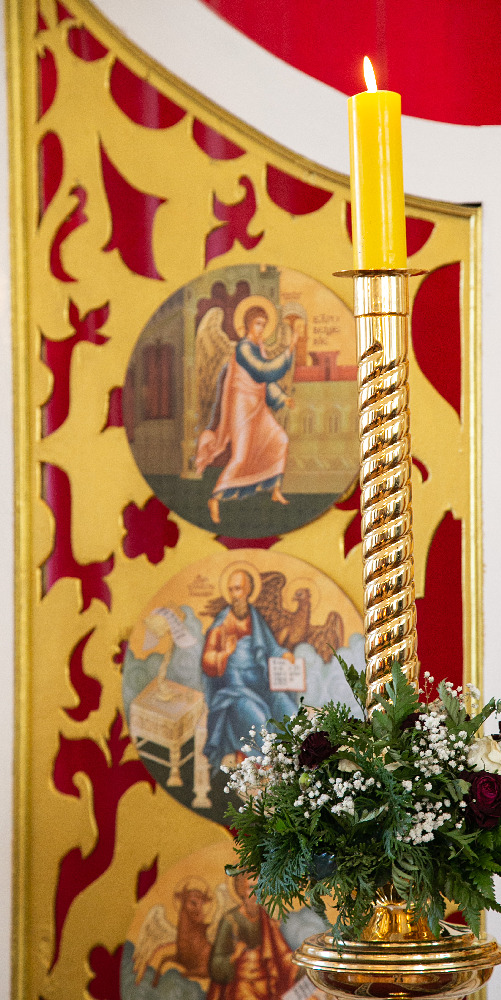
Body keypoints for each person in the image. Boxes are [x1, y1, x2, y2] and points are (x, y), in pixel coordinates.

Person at [196, 304, 297, 524]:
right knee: (241, 457)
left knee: (279, 440)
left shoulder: (259, 348)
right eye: (258, 324)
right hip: (242, 407)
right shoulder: (243, 349)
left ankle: (275, 490)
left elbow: (264, 382)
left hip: (258, 406)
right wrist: (287, 353)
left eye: (264, 324)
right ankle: (215, 498)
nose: (261, 328)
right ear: (248, 325)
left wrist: (281, 398)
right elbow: (262, 370)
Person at [201, 568, 297, 773]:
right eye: (231, 590)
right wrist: (225, 654)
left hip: (262, 684)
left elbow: (271, 647)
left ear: (248, 591)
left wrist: (284, 655)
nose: (234, 595)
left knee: (287, 708)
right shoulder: (221, 624)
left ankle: (294, 762)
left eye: (238, 589)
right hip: (236, 690)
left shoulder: (255, 619)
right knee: (258, 718)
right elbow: (207, 660)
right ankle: (266, 769)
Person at [206, 873, 296, 1000]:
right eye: (251, 888)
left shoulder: (266, 919)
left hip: (265, 987)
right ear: (241, 891)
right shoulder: (230, 921)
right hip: (242, 987)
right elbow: (216, 966)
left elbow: (282, 954)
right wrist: (234, 956)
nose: (256, 894)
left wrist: (299, 965)